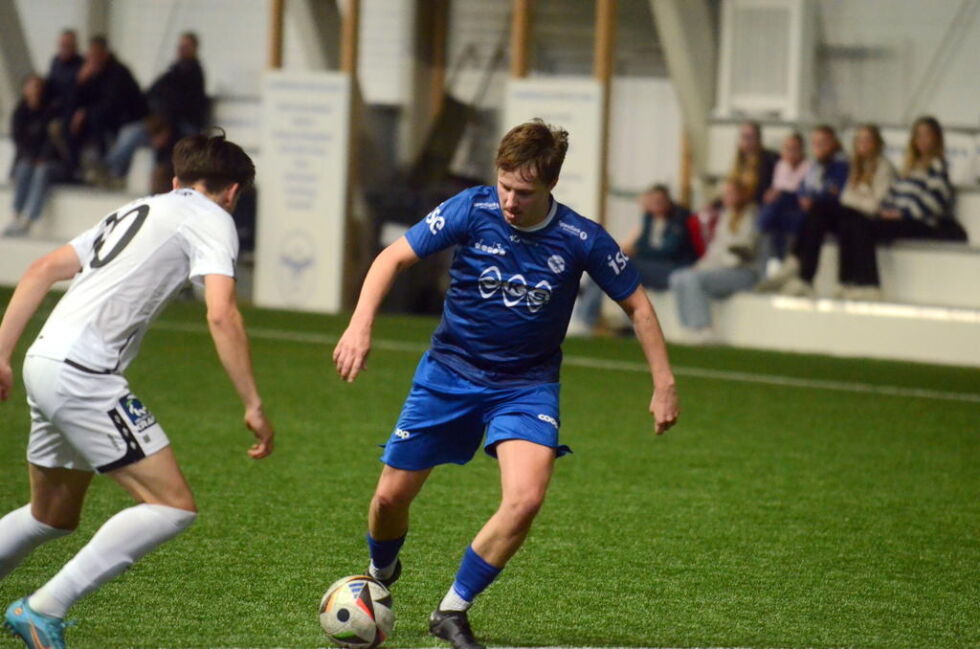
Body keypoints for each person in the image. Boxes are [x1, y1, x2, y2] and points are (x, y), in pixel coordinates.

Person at [332, 120, 679, 649]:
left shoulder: (581, 238)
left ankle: (452, 611)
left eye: (525, 192)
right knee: (387, 499)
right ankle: (381, 574)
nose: (512, 201)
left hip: (526, 386)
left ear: (551, 187)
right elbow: (393, 257)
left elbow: (637, 304)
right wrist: (360, 324)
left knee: (526, 498)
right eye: (506, 186)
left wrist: (664, 383)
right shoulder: (472, 208)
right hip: (449, 373)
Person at [0, 131, 276, 649]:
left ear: (175, 181)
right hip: (84, 374)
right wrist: (253, 403)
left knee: (51, 515)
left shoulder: (137, 209)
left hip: (43, 361)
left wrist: (1, 353)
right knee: (172, 505)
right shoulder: (214, 218)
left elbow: (41, 269)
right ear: (233, 192)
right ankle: (42, 608)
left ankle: (40, 606)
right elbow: (221, 312)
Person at [835, 116, 966, 298]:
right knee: (852, 222)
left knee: (864, 227)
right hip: (898, 217)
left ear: (936, 139)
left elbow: (934, 203)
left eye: (927, 135)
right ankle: (847, 281)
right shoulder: (909, 168)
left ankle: (870, 284)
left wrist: (901, 213)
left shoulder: (937, 166)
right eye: (918, 135)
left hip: (919, 223)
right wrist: (886, 210)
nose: (922, 140)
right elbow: (893, 194)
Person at [569, 184, 697, 335]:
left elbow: (669, 250)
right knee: (606, 263)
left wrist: (636, 251)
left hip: (672, 267)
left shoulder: (679, 218)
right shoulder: (650, 218)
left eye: (659, 201)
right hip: (650, 266)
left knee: (614, 265)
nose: (656, 204)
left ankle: (586, 319)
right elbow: (641, 242)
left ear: (668, 201)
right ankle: (587, 316)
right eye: (652, 201)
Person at [102, 32, 209, 185]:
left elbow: (182, 109)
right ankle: (113, 171)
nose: (182, 50)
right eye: (180, 46)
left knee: (160, 150)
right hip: (161, 124)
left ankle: (114, 169)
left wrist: (166, 130)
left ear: (194, 49)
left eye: (186, 46)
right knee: (130, 132)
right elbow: (152, 93)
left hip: (179, 127)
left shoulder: (193, 75)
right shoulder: (172, 71)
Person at [757, 125, 849, 296]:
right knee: (779, 213)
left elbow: (834, 191)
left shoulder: (841, 165)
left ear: (834, 143)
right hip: (814, 211)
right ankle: (785, 264)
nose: (819, 147)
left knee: (811, 213)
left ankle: (803, 274)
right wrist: (805, 196)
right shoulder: (816, 166)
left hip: (835, 213)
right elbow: (804, 187)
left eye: (824, 143)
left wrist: (811, 197)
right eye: (815, 143)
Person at [668, 179, 759, 342]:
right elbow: (715, 249)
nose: (725, 197)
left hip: (743, 272)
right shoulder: (726, 215)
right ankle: (688, 327)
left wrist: (713, 266)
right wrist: (701, 266)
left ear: (741, 195)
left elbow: (745, 250)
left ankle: (704, 327)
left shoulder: (751, 215)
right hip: (720, 268)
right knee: (678, 277)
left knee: (693, 279)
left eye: (730, 194)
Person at [66, 36, 147, 179]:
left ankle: (105, 168)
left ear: (105, 54)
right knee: (70, 121)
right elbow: (74, 103)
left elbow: (112, 105)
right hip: (107, 120)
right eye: (90, 56)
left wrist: (86, 112)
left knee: (96, 119)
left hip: (128, 119)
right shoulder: (91, 75)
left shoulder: (118, 73)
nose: (92, 59)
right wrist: (79, 83)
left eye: (96, 55)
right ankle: (74, 169)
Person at [831, 124, 896, 299]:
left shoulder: (884, 167)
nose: (863, 143)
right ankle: (846, 280)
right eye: (860, 139)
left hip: (877, 218)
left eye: (867, 139)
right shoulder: (855, 167)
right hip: (854, 214)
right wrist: (861, 198)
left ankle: (868, 281)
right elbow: (844, 198)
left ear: (876, 143)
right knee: (840, 217)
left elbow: (875, 204)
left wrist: (857, 199)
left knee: (855, 221)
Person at [4, 76, 59, 237]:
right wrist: (31, 157)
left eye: (37, 87)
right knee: (24, 169)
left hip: (49, 161)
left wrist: (41, 157)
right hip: (28, 159)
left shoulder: (49, 112)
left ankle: (29, 220)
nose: (34, 91)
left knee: (41, 172)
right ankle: (16, 216)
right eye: (31, 87)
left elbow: (51, 142)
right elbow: (20, 142)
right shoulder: (20, 112)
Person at [757, 132, 809, 268]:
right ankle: (776, 261)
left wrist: (779, 192)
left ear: (801, 150)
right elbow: (777, 187)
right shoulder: (781, 165)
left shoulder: (808, 167)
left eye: (794, 149)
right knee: (773, 213)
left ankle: (758, 232)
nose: (791, 153)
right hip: (781, 206)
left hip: (797, 204)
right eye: (787, 149)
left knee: (776, 207)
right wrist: (772, 193)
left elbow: (798, 189)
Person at [728, 121, 779, 205]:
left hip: (758, 205)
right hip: (738, 206)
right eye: (743, 136)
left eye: (750, 137)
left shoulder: (770, 159)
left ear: (758, 139)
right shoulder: (739, 161)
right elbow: (730, 187)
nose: (746, 141)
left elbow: (766, 189)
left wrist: (741, 196)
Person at [45, 30, 83, 125]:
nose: (64, 48)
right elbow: (50, 84)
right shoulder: (55, 61)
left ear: (75, 46)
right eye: (62, 45)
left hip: (73, 109)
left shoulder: (82, 65)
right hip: (56, 106)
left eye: (67, 45)